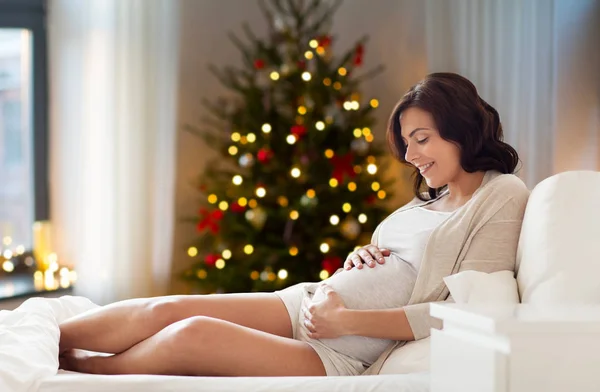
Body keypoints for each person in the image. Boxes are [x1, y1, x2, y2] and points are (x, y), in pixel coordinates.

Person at [58, 72, 530, 377]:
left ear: (462, 129)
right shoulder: (434, 199)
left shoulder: (501, 194)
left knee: (191, 334)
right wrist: (362, 255)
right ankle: (48, 339)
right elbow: (401, 260)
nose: (410, 156)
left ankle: (83, 370)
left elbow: (462, 312)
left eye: (421, 139)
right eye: (406, 143)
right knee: (166, 310)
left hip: (341, 349)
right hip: (306, 302)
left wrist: (345, 319)